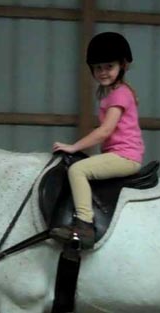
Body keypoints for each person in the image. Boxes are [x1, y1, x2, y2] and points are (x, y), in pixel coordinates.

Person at [52, 32, 145, 248]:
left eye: (109, 66)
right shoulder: (111, 93)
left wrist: (73, 146)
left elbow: (105, 131)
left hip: (125, 156)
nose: (103, 72)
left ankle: (84, 225)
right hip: (117, 154)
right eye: (98, 68)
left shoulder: (120, 94)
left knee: (78, 170)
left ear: (122, 65)